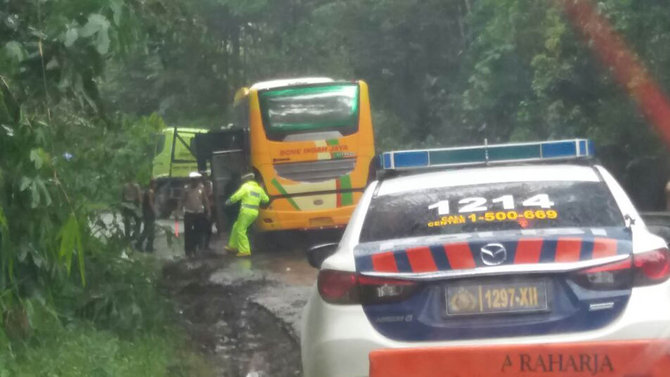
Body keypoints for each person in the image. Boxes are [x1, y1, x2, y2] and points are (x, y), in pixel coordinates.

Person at [224, 172, 269, 257]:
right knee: (236, 225)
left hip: (246, 211)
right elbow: (266, 200)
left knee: (241, 230)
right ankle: (232, 246)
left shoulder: (246, 187)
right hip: (254, 212)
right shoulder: (259, 189)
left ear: (246, 180)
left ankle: (245, 250)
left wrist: (229, 201)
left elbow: (237, 196)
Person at [177, 172, 209, 257]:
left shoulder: (201, 188)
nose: (195, 182)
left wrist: (208, 211)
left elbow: (205, 200)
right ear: (191, 180)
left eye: (196, 180)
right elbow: (182, 200)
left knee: (198, 232)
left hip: (199, 213)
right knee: (188, 233)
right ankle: (188, 251)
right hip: (189, 213)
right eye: (193, 180)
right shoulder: (186, 189)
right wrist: (178, 211)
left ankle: (196, 249)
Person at [136, 179, 157, 252]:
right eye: (155, 184)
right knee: (148, 230)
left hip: (146, 213)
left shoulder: (146, 191)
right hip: (149, 213)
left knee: (150, 230)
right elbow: (151, 203)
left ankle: (149, 246)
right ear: (153, 184)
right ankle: (139, 244)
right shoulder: (151, 192)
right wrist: (154, 211)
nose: (156, 185)